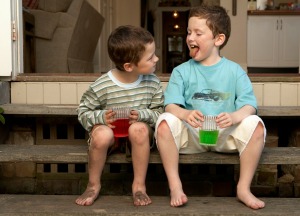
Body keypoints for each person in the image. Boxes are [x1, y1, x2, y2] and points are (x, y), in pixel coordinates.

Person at [155, 5, 266, 210]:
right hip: (192, 136)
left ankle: (243, 188)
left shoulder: (235, 71)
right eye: (189, 32)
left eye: (198, 33)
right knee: (164, 121)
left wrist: (234, 117)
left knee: (255, 123)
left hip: (225, 136)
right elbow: (170, 106)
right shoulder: (181, 71)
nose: (190, 38)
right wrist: (185, 113)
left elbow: (249, 106)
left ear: (218, 39)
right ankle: (175, 185)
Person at [76, 25, 164, 206]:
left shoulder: (153, 83)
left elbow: (160, 113)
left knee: (138, 129)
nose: (156, 58)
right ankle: (93, 185)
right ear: (129, 66)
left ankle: (139, 186)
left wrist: (142, 115)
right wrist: (102, 118)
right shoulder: (102, 85)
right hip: (111, 135)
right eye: (150, 57)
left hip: (139, 136)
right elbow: (83, 112)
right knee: (101, 134)